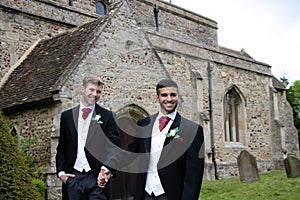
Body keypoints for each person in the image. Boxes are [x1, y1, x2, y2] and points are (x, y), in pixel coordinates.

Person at [127, 79, 205, 200]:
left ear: (178, 97)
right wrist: (108, 168)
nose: (169, 99)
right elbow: (131, 151)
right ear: (157, 98)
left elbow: (193, 176)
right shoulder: (143, 124)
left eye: (173, 95)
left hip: (171, 195)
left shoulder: (192, 130)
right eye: (164, 95)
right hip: (145, 194)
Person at [56, 75, 119, 200]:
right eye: (91, 90)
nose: (95, 94)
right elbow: (62, 148)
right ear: (83, 89)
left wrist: (105, 170)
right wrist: (61, 174)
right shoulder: (67, 116)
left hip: (97, 178)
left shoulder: (108, 116)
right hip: (73, 178)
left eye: (98, 91)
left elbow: (114, 148)